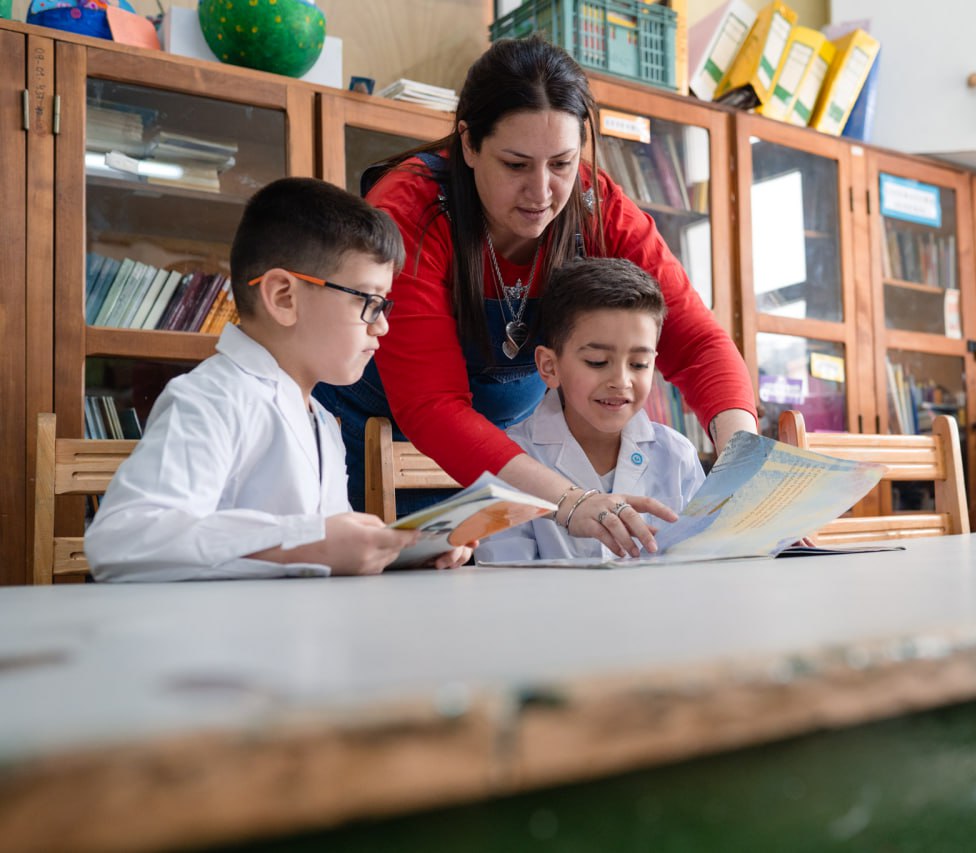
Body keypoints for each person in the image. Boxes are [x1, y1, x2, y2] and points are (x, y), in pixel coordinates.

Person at [314, 35, 758, 559]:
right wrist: (570, 500)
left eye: (562, 164)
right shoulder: (411, 211)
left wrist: (745, 469)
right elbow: (431, 403)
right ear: (469, 144)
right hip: (373, 430)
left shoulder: (599, 209)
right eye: (516, 164)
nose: (542, 192)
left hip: (509, 449)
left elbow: (698, 343)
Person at [85, 178, 472, 581]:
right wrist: (309, 542)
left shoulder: (320, 418)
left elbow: (319, 558)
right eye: (368, 301)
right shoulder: (213, 398)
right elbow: (122, 540)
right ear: (284, 297)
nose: (383, 327)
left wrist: (401, 553)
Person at [477, 258, 704, 561]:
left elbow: (703, 567)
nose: (621, 381)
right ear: (549, 366)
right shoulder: (512, 459)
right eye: (597, 362)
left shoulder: (677, 456)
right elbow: (502, 582)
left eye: (639, 364)